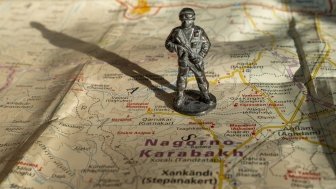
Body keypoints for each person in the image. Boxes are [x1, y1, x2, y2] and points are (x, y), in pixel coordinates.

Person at [165, 7, 212, 108]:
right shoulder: (177, 31)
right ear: (180, 18)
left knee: (201, 78)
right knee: (181, 78)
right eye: (184, 18)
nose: (186, 21)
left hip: (196, 60)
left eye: (189, 18)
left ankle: (205, 95)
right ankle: (180, 96)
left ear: (193, 18)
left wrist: (200, 56)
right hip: (184, 60)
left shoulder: (199, 31)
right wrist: (177, 47)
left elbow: (206, 44)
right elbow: (168, 44)